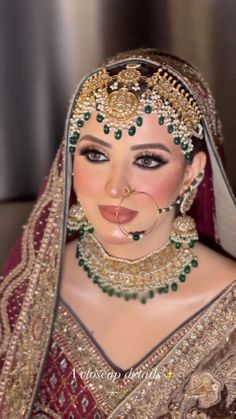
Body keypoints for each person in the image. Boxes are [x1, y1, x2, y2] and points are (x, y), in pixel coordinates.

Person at [0, 48, 236, 418]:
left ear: (192, 172)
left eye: (147, 160)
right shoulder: (28, 291)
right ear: (69, 160)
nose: (115, 188)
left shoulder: (230, 307)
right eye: (96, 155)